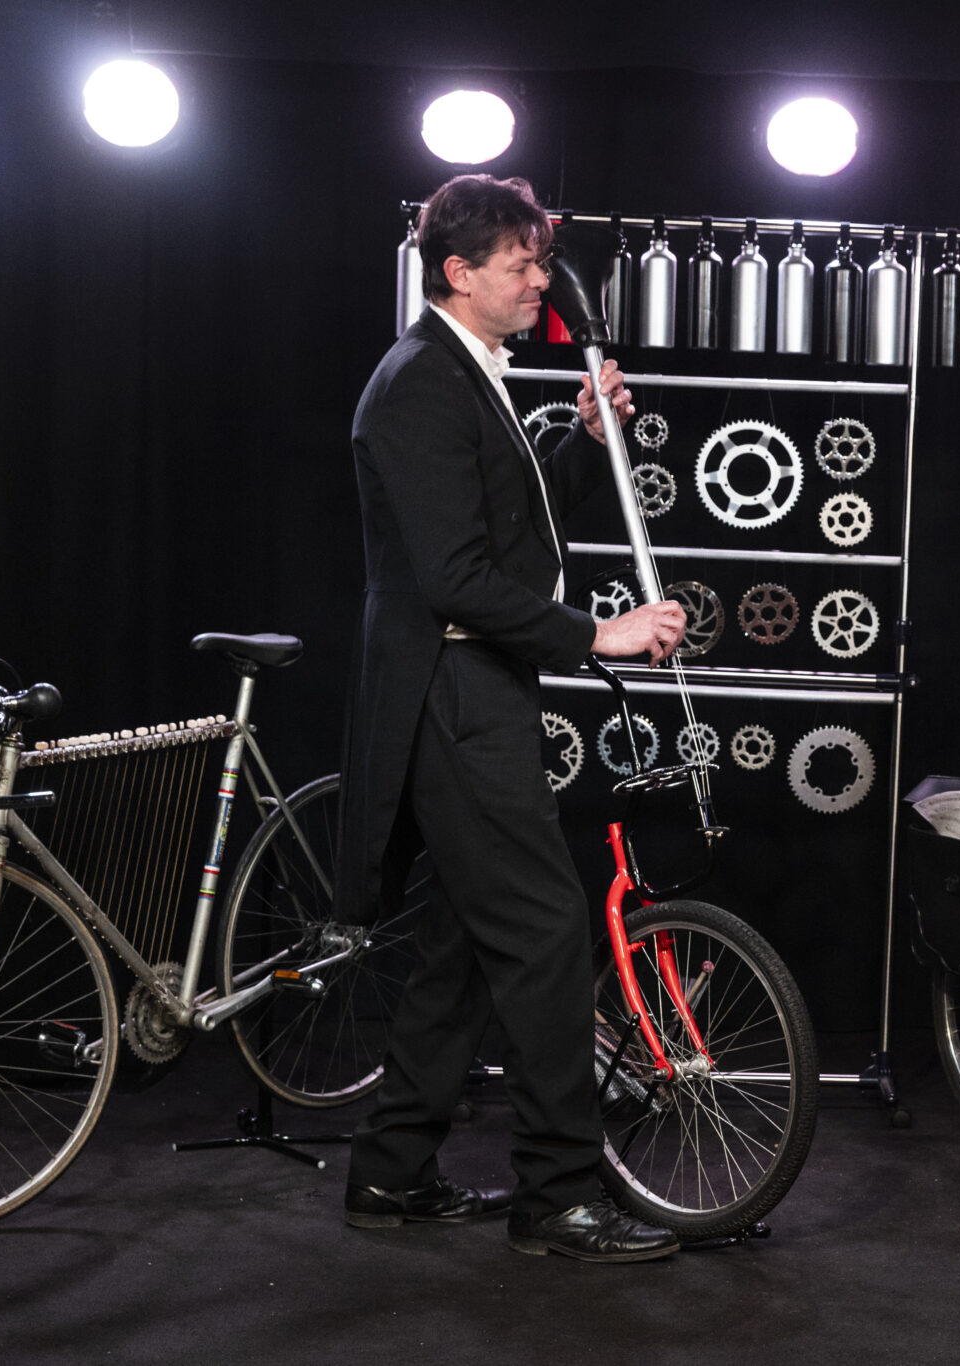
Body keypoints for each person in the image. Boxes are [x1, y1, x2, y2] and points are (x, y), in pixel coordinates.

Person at [335, 174, 686, 1263]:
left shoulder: (466, 373)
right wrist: (598, 634)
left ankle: (390, 1173)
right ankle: (558, 1199)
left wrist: (583, 438)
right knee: (542, 936)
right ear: (459, 271)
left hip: (480, 686)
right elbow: (454, 577)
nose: (541, 281)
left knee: (461, 945)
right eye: (521, 264)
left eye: (540, 262)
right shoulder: (420, 384)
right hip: (453, 692)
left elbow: (512, 531)